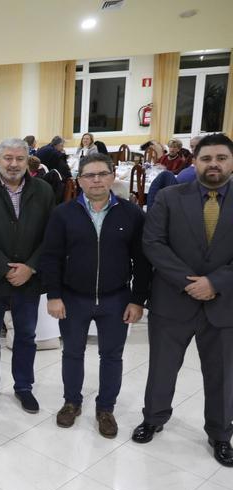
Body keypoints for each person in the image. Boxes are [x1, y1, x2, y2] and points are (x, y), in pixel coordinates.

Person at [133, 133, 233, 467]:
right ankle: (154, 418)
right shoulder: (169, 197)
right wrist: (192, 283)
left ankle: (220, 434)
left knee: (222, 374)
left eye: (221, 158)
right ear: (194, 161)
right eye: (206, 158)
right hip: (173, 300)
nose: (214, 164)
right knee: (162, 367)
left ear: (231, 162)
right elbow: (153, 243)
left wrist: (214, 283)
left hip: (224, 303)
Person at [40, 154, 151, 438]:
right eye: (90, 175)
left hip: (116, 299)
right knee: (72, 353)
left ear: (113, 177)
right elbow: (50, 257)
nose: (97, 180)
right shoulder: (63, 214)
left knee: (112, 356)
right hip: (74, 297)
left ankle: (106, 409)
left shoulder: (132, 213)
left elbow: (142, 261)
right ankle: (71, 402)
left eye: (102, 174)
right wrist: (54, 295)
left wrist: (138, 299)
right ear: (79, 180)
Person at [0, 138, 55, 415]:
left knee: (26, 336)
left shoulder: (43, 190)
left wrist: (30, 266)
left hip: (29, 280)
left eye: (19, 158)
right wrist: (5, 267)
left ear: (27, 159)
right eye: (8, 158)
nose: (14, 164)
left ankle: (24, 387)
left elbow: (50, 236)